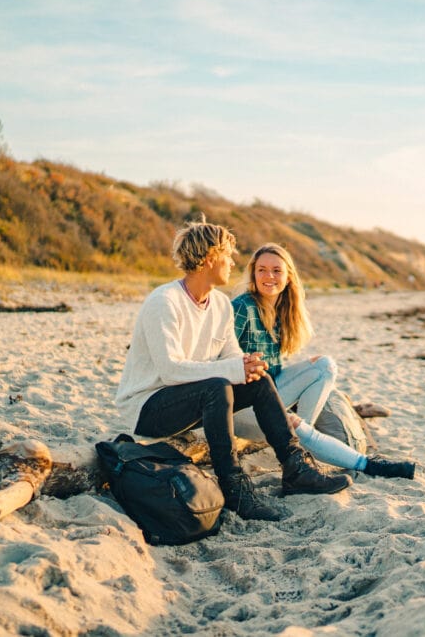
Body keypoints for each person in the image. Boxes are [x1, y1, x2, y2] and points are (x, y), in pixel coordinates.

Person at [115, 220, 352, 523]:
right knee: (216, 386)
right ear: (209, 258)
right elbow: (171, 370)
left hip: (191, 398)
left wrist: (248, 365)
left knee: (259, 380)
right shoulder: (164, 301)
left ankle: (296, 469)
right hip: (147, 407)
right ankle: (235, 488)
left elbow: (232, 356)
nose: (233, 262)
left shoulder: (220, 305)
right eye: (227, 255)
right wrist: (234, 368)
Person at [232, 243, 415, 480]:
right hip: (240, 408)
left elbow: (273, 371)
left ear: (288, 276)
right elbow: (217, 361)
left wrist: (306, 370)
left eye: (277, 270)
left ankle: (299, 443)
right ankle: (368, 465)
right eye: (262, 270)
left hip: (269, 393)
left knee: (324, 365)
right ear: (253, 274)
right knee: (296, 424)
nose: (269, 276)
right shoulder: (241, 308)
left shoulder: (282, 309)